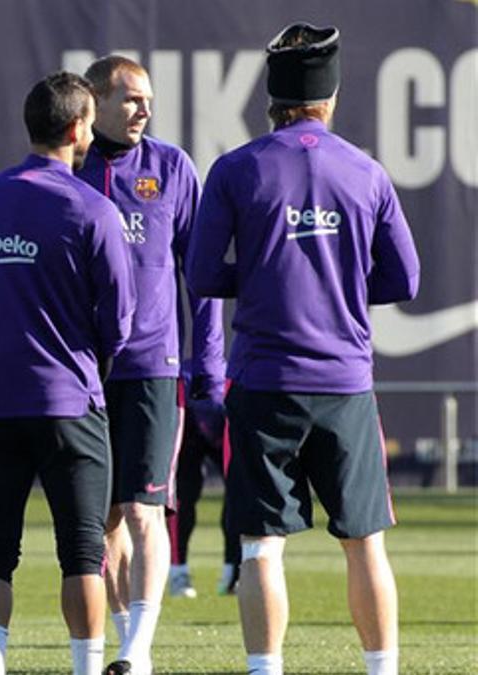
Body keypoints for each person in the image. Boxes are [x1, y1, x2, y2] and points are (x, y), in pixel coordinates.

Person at [186, 23, 420, 675]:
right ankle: (382, 668)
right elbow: (406, 278)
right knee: (365, 542)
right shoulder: (365, 171)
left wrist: (265, 276)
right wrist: (338, 281)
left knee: (261, 547)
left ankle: (266, 669)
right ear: (331, 97)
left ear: (272, 97)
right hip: (345, 382)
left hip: (263, 380)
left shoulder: (235, 170)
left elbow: (203, 275)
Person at [0, 71, 135, 675]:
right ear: (79, 128)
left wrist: (8, 322)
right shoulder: (92, 208)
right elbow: (121, 319)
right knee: (82, 551)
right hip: (70, 403)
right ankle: (85, 667)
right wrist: (78, 345)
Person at [72, 54, 225, 675]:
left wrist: (207, 361)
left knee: (146, 509)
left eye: (148, 100)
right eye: (132, 98)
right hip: (83, 370)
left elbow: (204, 274)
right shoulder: (71, 168)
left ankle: (137, 650)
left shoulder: (171, 167)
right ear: (95, 102)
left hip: (153, 367)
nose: (144, 109)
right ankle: (124, 634)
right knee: (103, 518)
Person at [166, 364, 239, 598]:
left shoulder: (234, 398)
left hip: (222, 416)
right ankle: (178, 572)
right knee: (183, 496)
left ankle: (233, 572)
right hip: (189, 416)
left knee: (238, 495)